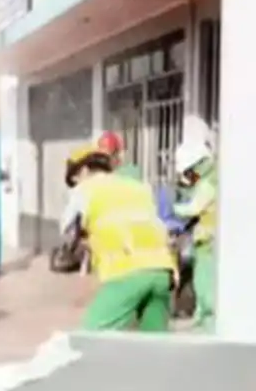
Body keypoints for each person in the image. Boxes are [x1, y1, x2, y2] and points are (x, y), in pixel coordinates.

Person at [62, 146, 177, 332]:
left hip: (126, 270)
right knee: (155, 341)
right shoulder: (138, 187)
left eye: (74, 178)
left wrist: (81, 242)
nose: (76, 184)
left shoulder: (86, 189)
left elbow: (69, 231)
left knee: (92, 335)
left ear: (84, 170)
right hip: (162, 271)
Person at [173, 135, 218, 332]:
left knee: (205, 282)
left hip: (209, 240)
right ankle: (201, 316)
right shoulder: (209, 178)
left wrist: (172, 209)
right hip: (205, 240)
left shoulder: (208, 183)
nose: (189, 177)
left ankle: (207, 319)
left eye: (189, 172)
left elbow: (194, 208)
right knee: (201, 280)